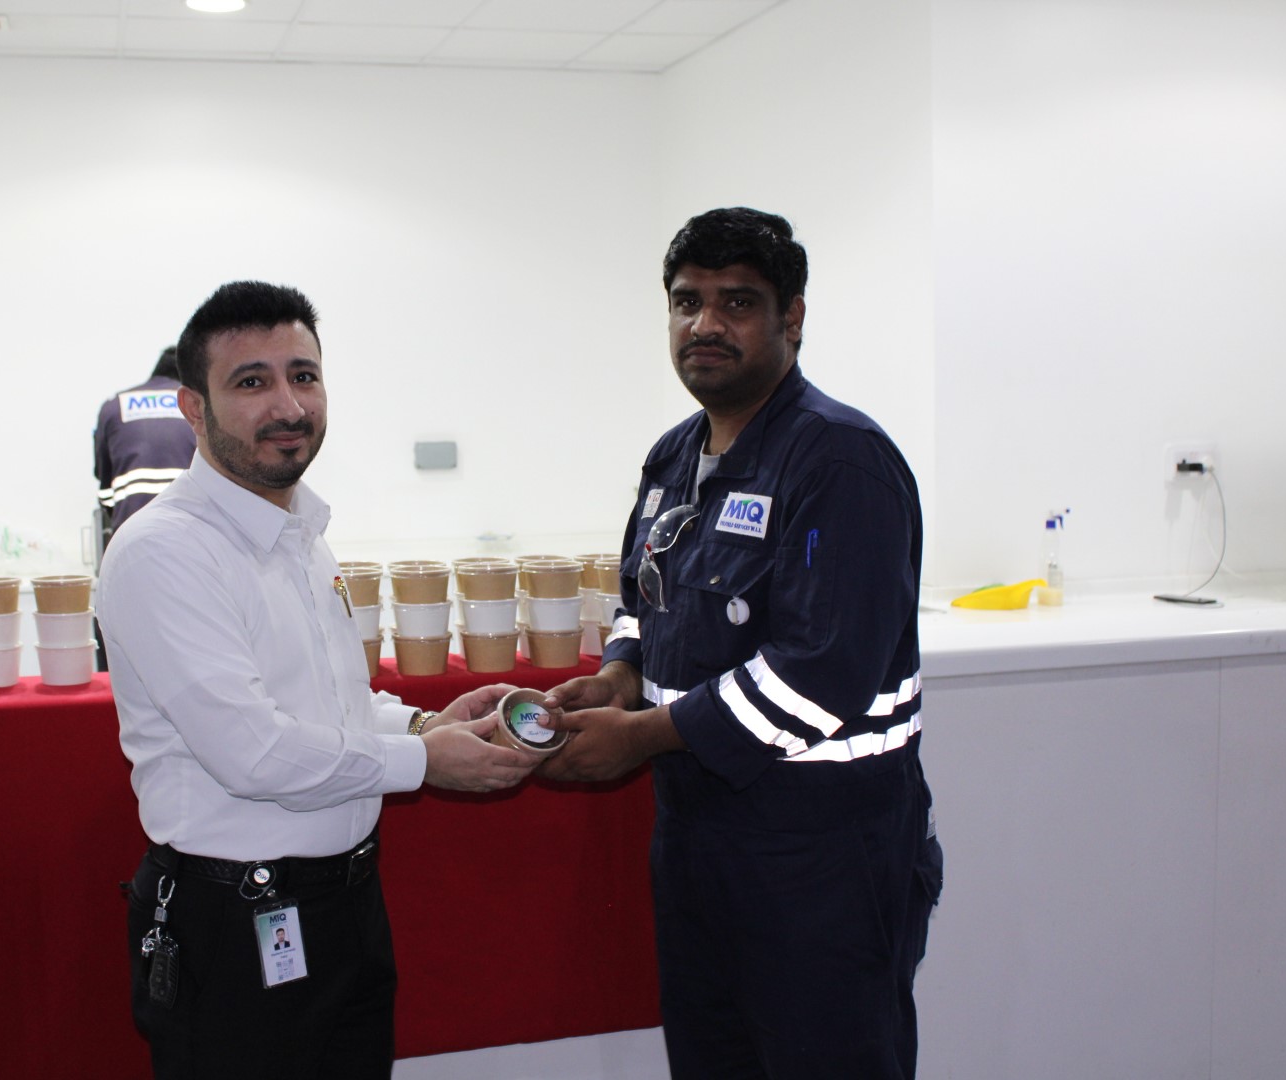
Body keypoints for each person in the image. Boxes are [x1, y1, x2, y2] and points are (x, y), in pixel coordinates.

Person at [97, 280, 538, 1079]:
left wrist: (425, 725)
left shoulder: (301, 532)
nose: (288, 405)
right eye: (251, 382)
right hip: (235, 922)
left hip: (346, 904)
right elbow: (255, 753)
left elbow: (331, 704)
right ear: (194, 409)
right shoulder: (164, 551)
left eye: (303, 375)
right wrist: (427, 762)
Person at [540, 208, 943, 1080]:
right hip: (698, 842)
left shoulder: (839, 462)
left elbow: (818, 676)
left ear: (791, 318)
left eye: (737, 303)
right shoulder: (673, 459)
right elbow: (644, 603)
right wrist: (620, 674)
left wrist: (640, 736)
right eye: (687, 302)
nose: (705, 325)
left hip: (823, 857)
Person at [93, 345, 199, 536]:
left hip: (129, 530)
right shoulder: (197, 407)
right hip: (189, 529)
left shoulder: (114, 406)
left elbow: (104, 484)